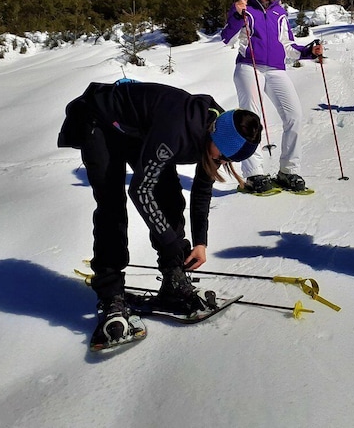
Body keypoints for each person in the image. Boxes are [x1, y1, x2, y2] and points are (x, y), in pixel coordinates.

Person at [58, 80, 261, 348]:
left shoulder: (224, 126)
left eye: (231, 160)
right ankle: (111, 298)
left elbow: (201, 190)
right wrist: (170, 241)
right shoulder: (178, 131)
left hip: (139, 130)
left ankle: (173, 281)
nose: (225, 162)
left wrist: (199, 242)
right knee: (112, 207)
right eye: (224, 156)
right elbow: (141, 191)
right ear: (215, 137)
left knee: (170, 198)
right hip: (101, 121)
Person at [221, 0, 323, 194]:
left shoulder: (279, 11)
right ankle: (253, 174)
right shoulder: (243, 7)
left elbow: (286, 45)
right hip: (250, 67)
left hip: (276, 69)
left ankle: (288, 171)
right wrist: (237, 15)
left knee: (294, 116)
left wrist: (308, 52)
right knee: (251, 119)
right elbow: (227, 39)